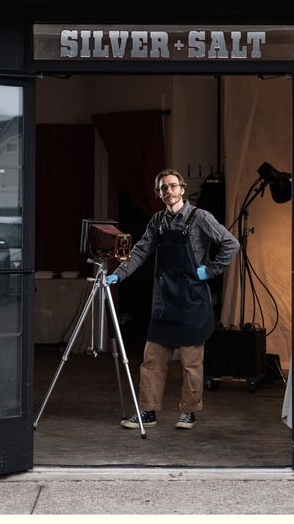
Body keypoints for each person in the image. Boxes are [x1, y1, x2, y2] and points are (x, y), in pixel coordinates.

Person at [106, 168, 239, 431]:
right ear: (159, 193)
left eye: (172, 186)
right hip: (165, 301)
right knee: (152, 361)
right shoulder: (157, 221)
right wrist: (119, 274)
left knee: (191, 364)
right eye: (163, 188)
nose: (169, 191)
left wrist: (211, 270)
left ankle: (189, 412)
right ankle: (148, 412)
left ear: (182, 188)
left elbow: (231, 243)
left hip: (192, 300)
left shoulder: (200, 217)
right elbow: (140, 251)